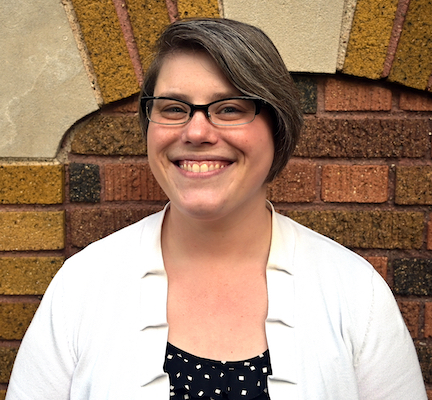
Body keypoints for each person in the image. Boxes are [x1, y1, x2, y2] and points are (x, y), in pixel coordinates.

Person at [6, 17, 427, 400]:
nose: (196, 131)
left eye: (229, 108)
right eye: (173, 108)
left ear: (277, 127)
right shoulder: (83, 286)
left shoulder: (355, 294)